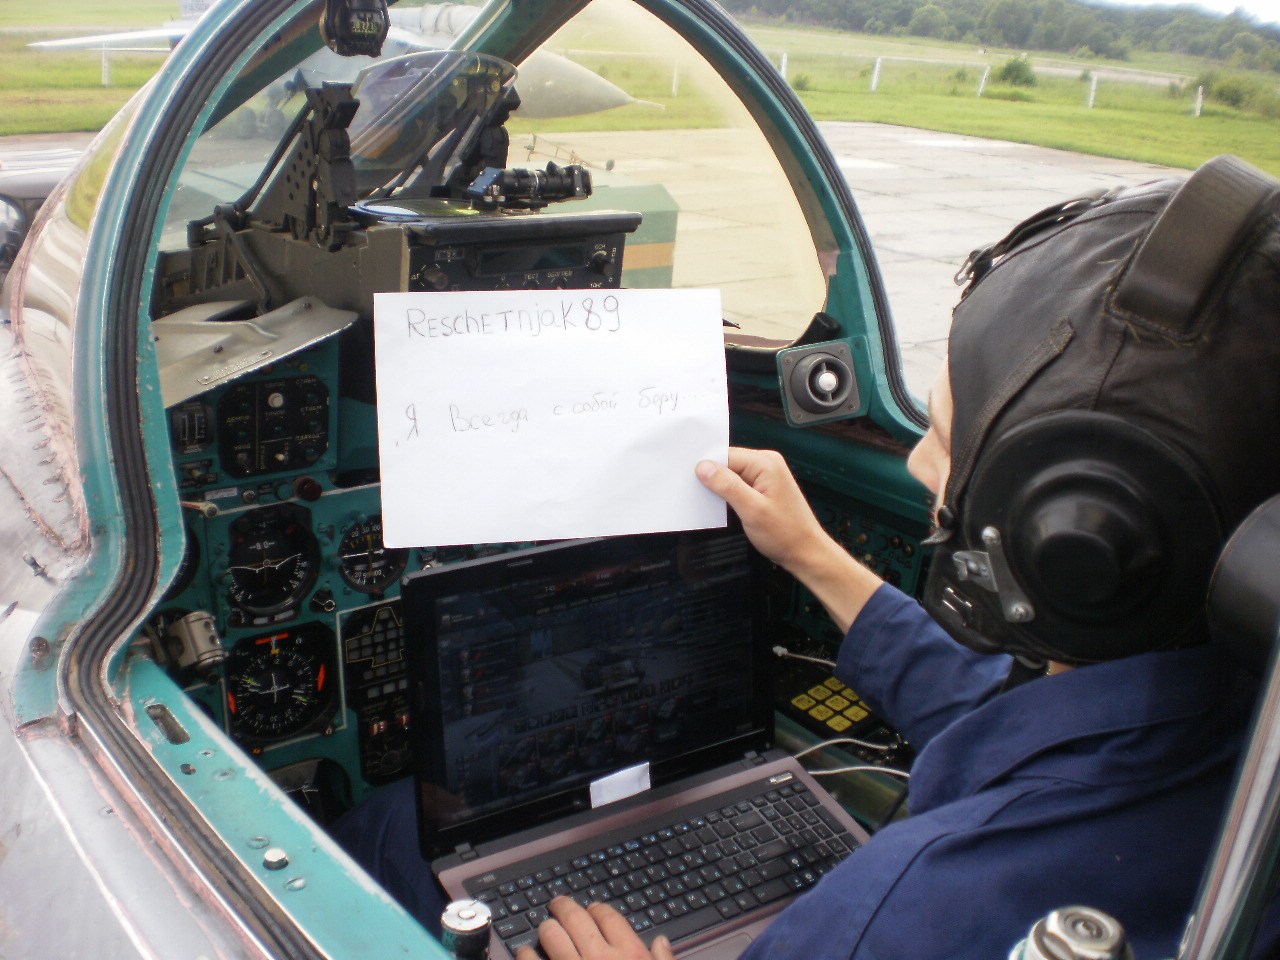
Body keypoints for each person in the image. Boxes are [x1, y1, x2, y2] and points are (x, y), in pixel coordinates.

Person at [511, 164, 1280, 959]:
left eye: (944, 438)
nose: (917, 464)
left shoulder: (895, 913)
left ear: (1065, 543)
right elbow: (1014, 721)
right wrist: (811, 554)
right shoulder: (1245, 712)